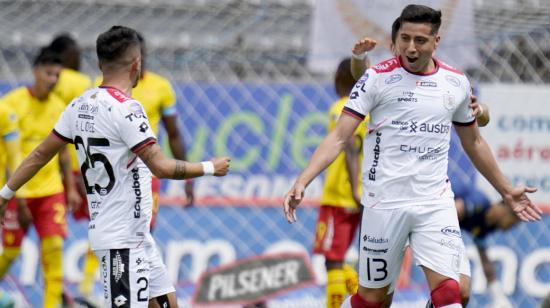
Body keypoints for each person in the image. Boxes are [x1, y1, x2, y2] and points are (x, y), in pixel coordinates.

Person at [283, 5, 541, 308]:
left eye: (420, 40)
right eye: (405, 38)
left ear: (436, 41)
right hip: (384, 203)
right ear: (396, 39)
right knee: (373, 300)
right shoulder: (376, 79)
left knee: (455, 293)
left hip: (434, 202)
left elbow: (475, 142)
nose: (410, 47)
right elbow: (339, 136)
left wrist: (507, 189)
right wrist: (303, 180)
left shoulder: (455, 83)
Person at [0, 25, 230, 308]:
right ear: (137, 63)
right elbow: (160, 166)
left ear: (99, 64)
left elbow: (38, 154)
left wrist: (5, 194)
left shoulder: (77, 106)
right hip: (121, 243)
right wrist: (209, 167)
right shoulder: (128, 109)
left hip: (136, 237)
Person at [0, 46, 81, 308]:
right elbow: (10, 157)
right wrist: (19, 198)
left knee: (54, 250)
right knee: (10, 252)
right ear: (35, 71)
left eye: (57, 75)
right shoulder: (12, 104)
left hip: (50, 191)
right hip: (17, 191)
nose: (53, 80)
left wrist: (69, 189)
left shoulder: (60, 107)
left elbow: (65, 155)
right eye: (49, 73)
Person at [314, 57, 369, 308]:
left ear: (338, 81)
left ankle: (342, 301)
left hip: (340, 195)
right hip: (360, 194)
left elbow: (347, 146)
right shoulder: (367, 111)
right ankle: (359, 293)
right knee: (341, 259)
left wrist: (353, 188)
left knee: (333, 260)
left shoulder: (340, 107)